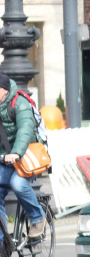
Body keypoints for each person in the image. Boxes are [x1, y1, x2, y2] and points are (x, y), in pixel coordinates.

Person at [0, 72, 47, 239]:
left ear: (4, 90)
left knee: (18, 184)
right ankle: (3, 240)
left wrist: (16, 153)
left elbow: (25, 130)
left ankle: (37, 217)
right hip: (5, 158)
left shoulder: (19, 103)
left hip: (27, 156)